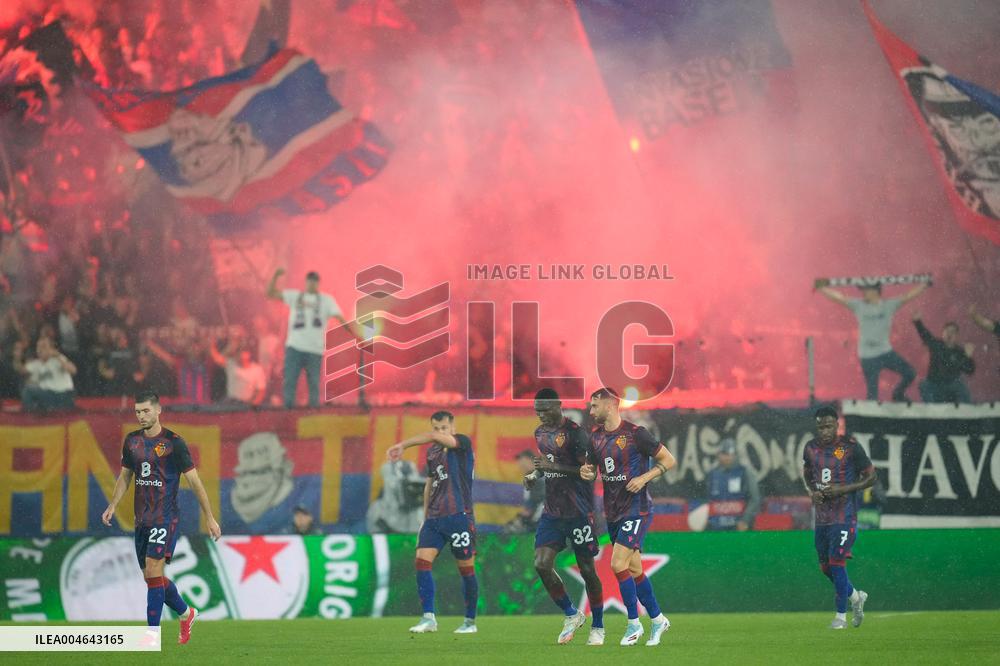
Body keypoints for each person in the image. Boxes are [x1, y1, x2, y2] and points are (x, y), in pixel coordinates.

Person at [101, 391, 222, 645]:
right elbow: (125, 477)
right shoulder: (132, 441)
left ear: (158, 411)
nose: (141, 416)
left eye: (145, 411)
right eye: (137, 411)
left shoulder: (174, 443)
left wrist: (210, 517)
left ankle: (151, 636)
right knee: (151, 578)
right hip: (141, 520)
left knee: (154, 570)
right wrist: (113, 504)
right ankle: (186, 613)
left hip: (165, 518)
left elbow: (196, 483)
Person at [581, 388, 675, 647]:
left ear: (610, 405)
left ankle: (633, 624)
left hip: (638, 508)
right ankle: (657, 620)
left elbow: (669, 460)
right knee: (634, 568)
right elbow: (590, 470)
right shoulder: (595, 438)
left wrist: (644, 478)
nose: (591, 411)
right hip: (612, 512)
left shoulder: (636, 434)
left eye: (594, 405)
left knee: (617, 564)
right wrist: (587, 472)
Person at [386, 411, 478, 635]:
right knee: (421, 561)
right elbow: (430, 485)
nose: (439, 433)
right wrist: (424, 519)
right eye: (435, 428)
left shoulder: (462, 444)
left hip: (459, 517)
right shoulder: (432, 452)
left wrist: (402, 445)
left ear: (452, 427)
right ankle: (429, 618)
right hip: (435, 518)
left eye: (443, 428)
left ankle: (469, 621)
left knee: (466, 569)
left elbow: (433, 437)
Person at [528, 388, 605, 646]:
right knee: (541, 564)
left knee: (586, 570)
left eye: (545, 410)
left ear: (559, 405)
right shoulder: (540, 433)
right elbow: (545, 465)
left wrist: (553, 467)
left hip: (579, 511)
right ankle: (572, 614)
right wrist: (533, 476)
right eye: (537, 411)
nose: (541, 415)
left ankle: (598, 626)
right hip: (553, 512)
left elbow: (589, 473)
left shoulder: (577, 434)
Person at [802, 405, 877, 630]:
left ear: (837, 424)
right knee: (825, 567)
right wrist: (813, 492)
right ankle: (855, 597)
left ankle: (840, 617)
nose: (824, 431)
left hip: (845, 515)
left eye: (828, 426)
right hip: (822, 517)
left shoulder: (850, 447)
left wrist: (843, 489)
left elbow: (872, 477)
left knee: (837, 562)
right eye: (820, 427)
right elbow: (808, 474)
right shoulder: (810, 448)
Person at [816, 280, 927, 401]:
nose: (863, 293)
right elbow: (840, 298)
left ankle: (897, 394)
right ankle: (870, 418)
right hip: (868, 356)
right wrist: (822, 289)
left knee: (910, 373)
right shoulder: (859, 305)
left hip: (886, 352)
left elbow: (907, 296)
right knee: (872, 394)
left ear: (875, 291)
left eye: (865, 290)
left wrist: (924, 285)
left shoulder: (889, 305)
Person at [267, 268, 348, 408]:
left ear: (318, 283)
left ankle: (312, 414)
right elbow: (270, 294)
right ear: (306, 282)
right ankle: (289, 413)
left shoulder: (326, 300)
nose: (312, 284)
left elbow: (340, 318)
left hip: (314, 349)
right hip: (295, 347)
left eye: (315, 281)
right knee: (290, 381)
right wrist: (275, 276)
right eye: (310, 281)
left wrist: (355, 333)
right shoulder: (295, 296)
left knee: (314, 384)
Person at [912, 313, 975, 403]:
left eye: (953, 332)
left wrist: (968, 356)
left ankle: (966, 412)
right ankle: (932, 412)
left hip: (951, 385)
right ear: (943, 333)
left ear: (957, 336)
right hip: (934, 384)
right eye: (947, 331)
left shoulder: (960, 351)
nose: (949, 334)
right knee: (923, 384)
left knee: (960, 384)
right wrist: (917, 321)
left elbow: (970, 371)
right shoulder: (936, 344)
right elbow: (925, 335)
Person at [705, 438, 761, 531]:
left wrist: (745, 520)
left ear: (735, 455)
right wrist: (707, 520)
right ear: (718, 455)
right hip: (716, 527)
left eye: (731, 454)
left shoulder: (744, 472)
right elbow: (708, 500)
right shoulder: (713, 474)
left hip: (738, 526)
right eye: (724, 454)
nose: (727, 457)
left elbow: (754, 499)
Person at [14, 336, 77, 412]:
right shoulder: (36, 363)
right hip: (48, 396)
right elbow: (21, 370)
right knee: (26, 387)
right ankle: (34, 413)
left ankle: (29, 416)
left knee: (29, 391)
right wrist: (17, 358)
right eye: (38, 346)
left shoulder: (58, 359)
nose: (40, 349)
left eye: (43, 346)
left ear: (51, 349)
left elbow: (73, 370)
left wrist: (57, 355)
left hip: (63, 395)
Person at [208, 336, 267, 408]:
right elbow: (216, 357)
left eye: (243, 351)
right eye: (239, 351)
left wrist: (253, 406)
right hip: (229, 402)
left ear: (249, 354)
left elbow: (261, 391)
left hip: (246, 404)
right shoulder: (231, 363)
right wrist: (212, 345)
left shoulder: (257, 369)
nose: (241, 354)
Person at [503, 450, 545, 534]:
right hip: (540, 520)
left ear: (528, 460)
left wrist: (521, 519)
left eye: (521, 460)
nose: (519, 464)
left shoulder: (535, 477)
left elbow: (535, 503)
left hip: (539, 521)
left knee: (510, 530)